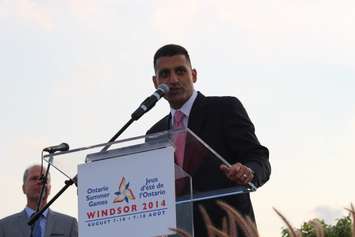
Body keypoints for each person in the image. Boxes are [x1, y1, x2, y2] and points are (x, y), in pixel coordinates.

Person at [147, 44, 271, 236]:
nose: (173, 79)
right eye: (165, 74)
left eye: (180, 71)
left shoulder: (224, 109)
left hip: (227, 228)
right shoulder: (154, 134)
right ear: (156, 82)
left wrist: (249, 172)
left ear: (194, 75)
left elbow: (258, 157)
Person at [0, 164, 78, 237]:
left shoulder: (69, 224)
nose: (39, 182)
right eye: (34, 178)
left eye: (44, 179)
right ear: (24, 188)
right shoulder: (4, 226)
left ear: (50, 188)